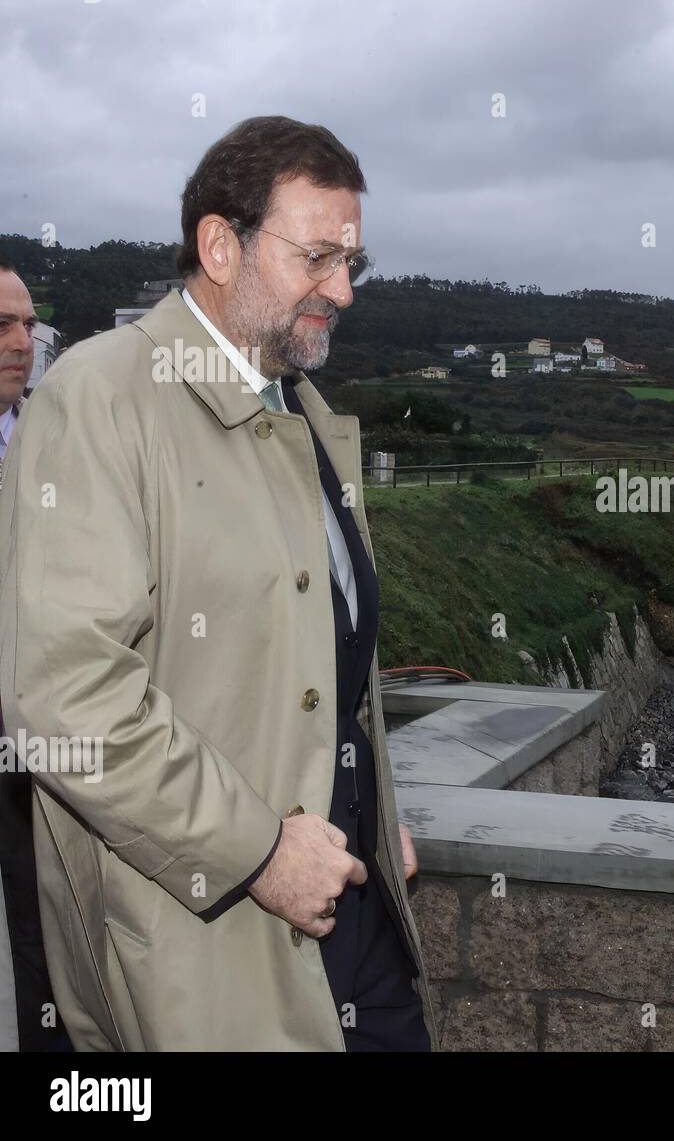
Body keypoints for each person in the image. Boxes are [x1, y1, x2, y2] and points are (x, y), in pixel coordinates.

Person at [0, 117, 437, 1051]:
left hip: (351, 918)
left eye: (353, 261)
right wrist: (260, 849)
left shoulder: (307, 416)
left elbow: (330, 671)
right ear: (219, 245)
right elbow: (65, 701)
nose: (343, 291)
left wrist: (369, 814)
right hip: (202, 948)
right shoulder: (100, 400)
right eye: (318, 256)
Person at [0, 260, 71, 1052]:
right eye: (2, 326)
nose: (22, 342)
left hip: (40, 739)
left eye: (29, 325)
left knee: (46, 936)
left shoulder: (59, 438)